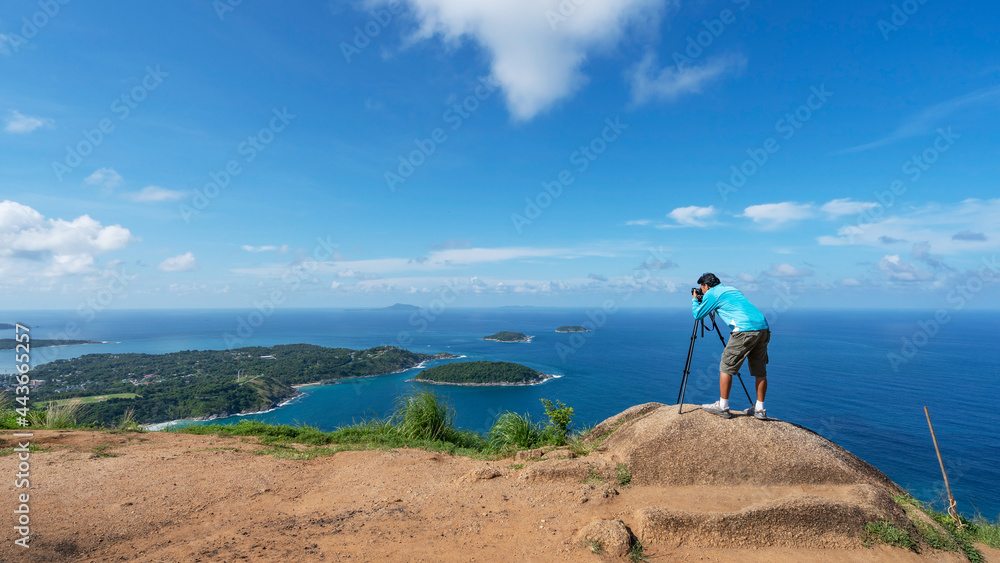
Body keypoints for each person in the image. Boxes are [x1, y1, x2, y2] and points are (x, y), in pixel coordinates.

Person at [691, 273, 770, 419]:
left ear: (706, 286)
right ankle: (759, 409)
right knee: (760, 370)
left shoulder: (712, 294)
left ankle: (723, 406)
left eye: (702, 288)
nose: (702, 291)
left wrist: (695, 300)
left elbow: (698, 315)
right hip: (763, 327)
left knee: (726, 366)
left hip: (744, 330)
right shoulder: (731, 289)